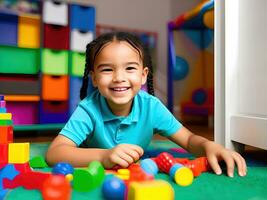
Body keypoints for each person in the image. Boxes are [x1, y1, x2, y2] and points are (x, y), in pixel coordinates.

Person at [46, 32, 247, 177]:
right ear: (95, 78)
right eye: (107, 70)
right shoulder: (88, 109)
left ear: (143, 76)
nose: (119, 78)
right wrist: (105, 156)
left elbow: (188, 140)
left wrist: (209, 146)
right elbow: (55, 153)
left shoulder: (151, 107)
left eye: (130, 68)